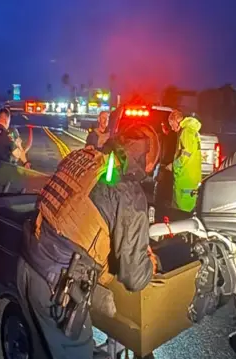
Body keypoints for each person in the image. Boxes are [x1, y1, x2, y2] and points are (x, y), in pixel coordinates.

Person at [17, 124, 162, 359]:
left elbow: (79, 216)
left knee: (43, 349)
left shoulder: (82, 158)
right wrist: (149, 263)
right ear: (145, 159)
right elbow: (134, 278)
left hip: (27, 260)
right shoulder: (129, 192)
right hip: (58, 288)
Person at [164, 110, 202, 212]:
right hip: (192, 176)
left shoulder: (186, 132)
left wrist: (173, 166)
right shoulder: (191, 131)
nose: (172, 128)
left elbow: (185, 155)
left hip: (185, 178)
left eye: (172, 124)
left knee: (181, 211)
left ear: (177, 120)